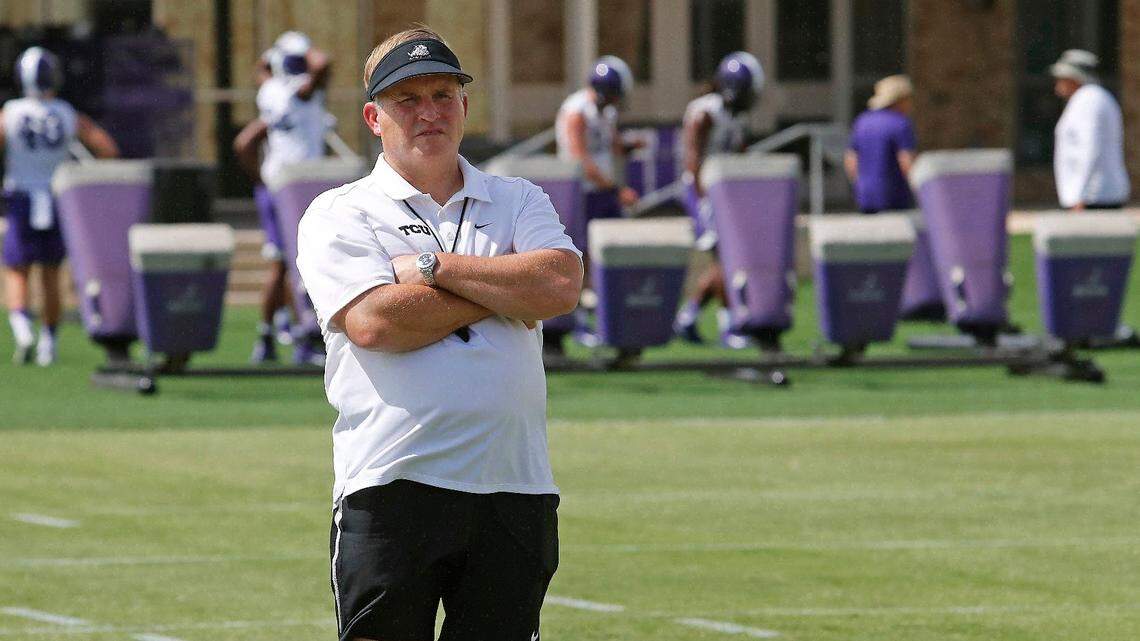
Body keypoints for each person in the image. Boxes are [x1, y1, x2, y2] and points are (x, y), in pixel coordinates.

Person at [295, 26, 581, 641]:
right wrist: (503, 290)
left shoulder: (517, 197)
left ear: (465, 106)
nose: (429, 112)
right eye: (408, 100)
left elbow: (558, 286)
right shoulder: (340, 211)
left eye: (443, 95)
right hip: (393, 484)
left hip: (514, 486)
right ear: (373, 117)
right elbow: (375, 323)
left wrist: (433, 269)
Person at [1, 46, 118, 366]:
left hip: (22, 195)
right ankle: (48, 342)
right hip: (57, 197)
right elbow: (106, 147)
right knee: (52, 273)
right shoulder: (67, 113)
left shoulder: (11, 112)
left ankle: (23, 328)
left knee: (16, 269)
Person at [234, 32, 333, 365]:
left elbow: (245, 143)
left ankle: (268, 335)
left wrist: (260, 180)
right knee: (297, 262)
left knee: (282, 262)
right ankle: (304, 338)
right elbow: (323, 65)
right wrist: (307, 49)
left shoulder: (269, 90)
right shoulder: (299, 92)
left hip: (276, 183)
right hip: (298, 186)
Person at [672, 51, 764, 348]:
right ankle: (729, 325)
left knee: (724, 259)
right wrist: (703, 199)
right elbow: (693, 160)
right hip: (704, 191)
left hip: (723, 192)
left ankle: (688, 316)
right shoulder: (705, 113)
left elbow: (739, 153)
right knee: (724, 257)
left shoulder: (736, 115)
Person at [550, 55, 639, 352]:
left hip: (602, 191)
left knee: (610, 253)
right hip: (581, 192)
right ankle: (579, 321)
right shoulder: (577, 111)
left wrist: (627, 147)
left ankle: (606, 317)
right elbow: (580, 159)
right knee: (581, 257)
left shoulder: (605, 112)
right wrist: (616, 188)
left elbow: (609, 143)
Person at [1050, 49, 1130, 211]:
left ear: (1074, 78)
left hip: (1094, 197)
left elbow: (1089, 148)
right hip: (1093, 195)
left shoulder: (1089, 100)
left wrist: (1080, 194)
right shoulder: (1093, 98)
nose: (1058, 84)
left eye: (1062, 78)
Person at [845, 74, 917, 214]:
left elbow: (851, 159)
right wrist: (917, 188)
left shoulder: (862, 121)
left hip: (865, 195)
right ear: (900, 100)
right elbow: (906, 161)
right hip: (894, 196)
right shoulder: (900, 123)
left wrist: (859, 185)